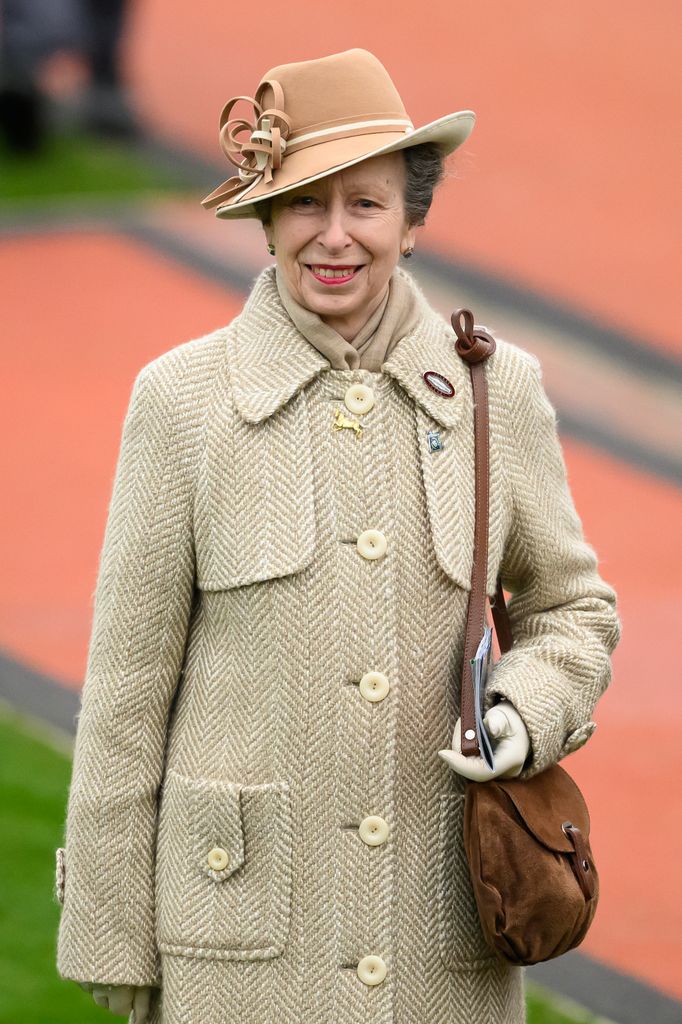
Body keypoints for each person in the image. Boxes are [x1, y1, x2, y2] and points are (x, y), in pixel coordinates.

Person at [53, 48, 622, 1024]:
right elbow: (126, 690)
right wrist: (113, 931)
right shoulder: (182, 401)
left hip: (442, 945)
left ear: (412, 221)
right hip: (236, 942)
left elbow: (572, 609)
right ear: (266, 221)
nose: (334, 235)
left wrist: (523, 712)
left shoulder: (500, 390)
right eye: (305, 204)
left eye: (364, 205)